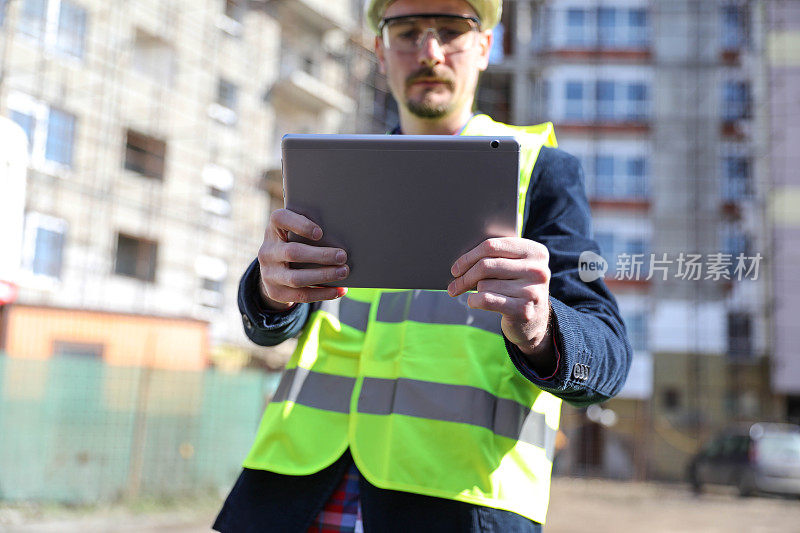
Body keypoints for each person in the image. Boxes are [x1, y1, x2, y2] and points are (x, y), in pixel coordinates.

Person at [213, 0, 632, 531]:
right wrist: (272, 292)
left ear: (483, 48)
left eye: (452, 30)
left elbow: (609, 357)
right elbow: (272, 329)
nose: (429, 51)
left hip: (461, 504)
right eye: (407, 31)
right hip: (291, 496)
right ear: (380, 52)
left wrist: (541, 326)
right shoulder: (338, 173)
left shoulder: (542, 172)